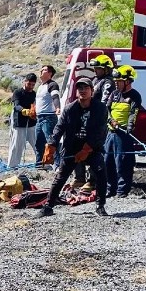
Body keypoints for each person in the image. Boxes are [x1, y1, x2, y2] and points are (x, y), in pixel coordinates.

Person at [37, 77, 110, 218]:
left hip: (92, 148)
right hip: (72, 147)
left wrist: (86, 149)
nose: (82, 91)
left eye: (86, 88)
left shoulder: (100, 108)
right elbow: (59, 127)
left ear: (92, 91)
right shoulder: (70, 108)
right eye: (80, 88)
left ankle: (100, 206)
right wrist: (51, 145)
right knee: (60, 177)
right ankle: (48, 206)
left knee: (101, 173)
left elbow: (100, 132)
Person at [76, 54, 116, 189]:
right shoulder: (96, 81)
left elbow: (104, 102)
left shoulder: (108, 82)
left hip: (98, 121)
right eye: (95, 68)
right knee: (80, 145)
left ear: (106, 69)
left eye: (98, 68)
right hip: (89, 118)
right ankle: (80, 178)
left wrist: (97, 113)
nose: (95, 70)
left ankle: (92, 181)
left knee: (94, 150)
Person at [106, 65, 143, 197]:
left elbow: (134, 113)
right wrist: (111, 121)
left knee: (122, 162)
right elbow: (107, 110)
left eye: (118, 81)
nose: (116, 83)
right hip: (110, 133)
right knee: (107, 161)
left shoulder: (134, 96)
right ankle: (110, 189)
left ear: (127, 81)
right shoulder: (114, 94)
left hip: (123, 135)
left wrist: (129, 127)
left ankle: (122, 191)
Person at [33, 65, 62, 166]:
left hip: (48, 118)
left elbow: (55, 96)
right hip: (39, 118)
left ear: (50, 74)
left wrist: (57, 107)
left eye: (44, 70)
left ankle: (58, 165)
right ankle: (40, 164)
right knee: (38, 142)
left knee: (51, 142)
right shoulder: (41, 86)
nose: (41, 71)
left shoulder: (52, 85)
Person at [8, 73, 38, 169]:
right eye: (29, 84)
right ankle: (12, 166)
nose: (31, 87)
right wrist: (23, 110)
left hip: (32, 124)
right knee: (17, 146)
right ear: (25, 82)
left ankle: (42, 163)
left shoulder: (34, 94)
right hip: (19, 123)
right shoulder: (18, 92)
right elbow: (16, 105)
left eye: (33, 85)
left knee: (37, 144)